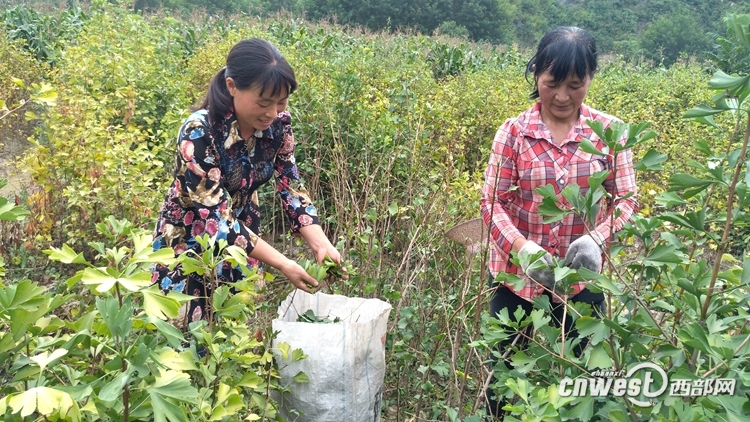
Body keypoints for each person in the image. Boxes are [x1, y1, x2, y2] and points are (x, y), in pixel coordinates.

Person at [479, 26, 637, 417]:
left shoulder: (610, 133)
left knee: (583, 379)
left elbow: (627, 200)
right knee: (504, 377)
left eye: (575, 84)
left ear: (590, 79)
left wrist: (597, 239)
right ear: (536, 73)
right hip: (516, 278)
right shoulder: (514, 132)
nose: (563, 96)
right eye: (552, 83)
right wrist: (524, 249)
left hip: (582, 280)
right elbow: (492, 202)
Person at [151, 38, 343, 327]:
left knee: (234, 334)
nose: (273, 113)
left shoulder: (279, 124)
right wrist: (283, 263)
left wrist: (321, 243)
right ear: (232, 87)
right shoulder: (198, 131)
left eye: (281, 102)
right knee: (185, 336)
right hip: (190, 240)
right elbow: (216, 222)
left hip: (245, 237)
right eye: (264, 103)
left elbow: (291, 185)